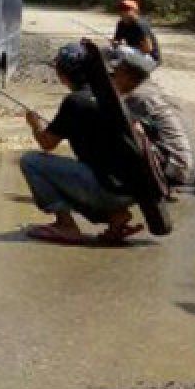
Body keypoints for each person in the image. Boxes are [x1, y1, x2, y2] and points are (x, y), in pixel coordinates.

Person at [20, 43, 142, 245]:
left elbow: (47, 143)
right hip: (132, 190)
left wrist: (35, 124)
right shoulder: (111, 95)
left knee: (31, 161)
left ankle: (65, 224)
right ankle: (116, 216)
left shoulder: (75, 102)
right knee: (93, 166)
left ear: (62, 74)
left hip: (107, 190)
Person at [110, 49, 195, 189]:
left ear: (129, 76)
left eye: (116, 73)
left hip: (178, 169)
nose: (113, 79)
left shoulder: (137, 98)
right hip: (188, 164)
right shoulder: (154, 91)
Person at [113, 0, 161, 65]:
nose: (123, 12)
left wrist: (125, 47)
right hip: (134, 54)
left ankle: (122, 71)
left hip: (151, 59)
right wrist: (115, 43)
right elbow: (116, 42)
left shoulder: (140, 24)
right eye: (121, 9)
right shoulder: (121, 24)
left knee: (123, 50)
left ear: (135, 11)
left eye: (126, 9)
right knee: (105, 50)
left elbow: (148, 49)